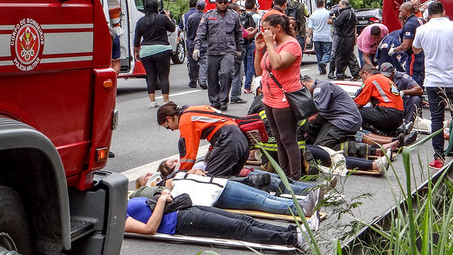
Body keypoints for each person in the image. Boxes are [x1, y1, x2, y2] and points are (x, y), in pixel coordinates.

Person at [412, 1, 453, 170]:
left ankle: (438, 158)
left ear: (429, 14)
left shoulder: (421, 29)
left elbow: (415, 49)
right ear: (444, 11)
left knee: (436, 120)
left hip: (433, 82)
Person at [125, 193, 311, 250]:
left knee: (244, 219)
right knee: (239, 228)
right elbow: (149, 228)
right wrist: (161, 201)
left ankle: (294, 232)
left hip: (186, 209)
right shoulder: (119, 218)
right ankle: (292, 240)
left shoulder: (125, 200)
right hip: (181, 222)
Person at [134, 171, 323, 217]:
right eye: (144, 177)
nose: (149, 175)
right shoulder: (160, 187)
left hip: (218, 184)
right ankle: (298, 209)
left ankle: (302, 203)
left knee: (261, 195)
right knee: (259, 200)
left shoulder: (176, 174)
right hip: (213, 194)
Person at [254, 14, 303, 180]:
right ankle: (284, 175)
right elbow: (261, 71)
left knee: (288, 140)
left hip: (285, 98)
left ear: (278, 28)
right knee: (278, 140)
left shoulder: (291, 44)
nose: (264, 32)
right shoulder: (273, 44)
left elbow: (277, 64)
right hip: (269, 97)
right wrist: (259, 49)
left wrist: (268, 44)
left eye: (267, 29)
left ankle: (295, 177)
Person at [157, 102, 249, 177]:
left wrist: (182, 174)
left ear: (168, 118)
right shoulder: (193, 110)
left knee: (213, 181)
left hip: (228, 140)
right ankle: (260, 181)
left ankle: (260, 179)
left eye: (167, 127)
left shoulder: (185, 121)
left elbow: (188, 156)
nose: (172, 130)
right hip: (240, 138)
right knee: (231, 179)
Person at [193, 0, 244, 111]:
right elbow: (200, 33)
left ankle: (223, 99)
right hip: (212, 51)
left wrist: (239, 49)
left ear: (228, 2)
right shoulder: (208, 16)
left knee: (226, 74)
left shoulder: (234, 16)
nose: (222, 4)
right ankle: (215, 101)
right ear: (216, 2)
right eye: (220, 2)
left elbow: (238, 34)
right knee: (212, 77)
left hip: (228, 51)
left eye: (225, 2)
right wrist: (196, 48)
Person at [134, 0, 176, 108]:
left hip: (146, 52)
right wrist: (167, 17)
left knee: (150, 76)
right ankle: (166, 101)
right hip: (162, 50)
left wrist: (136, 51)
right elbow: (172, 28)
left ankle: (152, 101)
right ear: (157, 8)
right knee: (163, 76)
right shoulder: (162, 18)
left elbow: (137, 38)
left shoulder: (140, 21)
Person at [301, 76, 362, 149]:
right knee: (310, 128)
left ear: (303, 84)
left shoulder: (320, 88)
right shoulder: (317, 89)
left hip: (346, 120)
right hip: (337, 119)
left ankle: (362, 149)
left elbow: (312, 117)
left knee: (322, 147)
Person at [354, 64, 404, 135]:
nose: (362, 80)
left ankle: (379, 135)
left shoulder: (371, 80)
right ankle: (394, 133)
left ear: (365, 73)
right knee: (371, 112)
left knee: (357, 113)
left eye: (361, 77)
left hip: (389, 113)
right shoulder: (384, 79)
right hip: (399, 115)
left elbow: (359, 103)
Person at [390, 2, 424, 87]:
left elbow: (406, 45)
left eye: (401, 11)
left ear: (407, 11)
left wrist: (394, 50)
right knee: (417, 79)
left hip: (413, 56)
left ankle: (415, 98)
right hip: (419, 55)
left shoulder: (410, 24)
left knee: (412, 81)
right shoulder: (416, 20)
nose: (400, 13)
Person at [333, 0, 360, 80]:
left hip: (344, 37)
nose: (339, 7)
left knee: (341, 56)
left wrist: (334, 18)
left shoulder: (344, 13)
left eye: (340, 5)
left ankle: (340, 74)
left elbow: (338, 23)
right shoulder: (352, 13)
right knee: (350, 55)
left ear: (344, 5)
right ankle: (356, 73)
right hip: (350, 36)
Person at [306, 0, 332, 75]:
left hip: (316, 37)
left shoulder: (313, 15)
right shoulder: (328, 13)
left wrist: (308, 37)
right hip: (326, 36)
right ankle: (323, 62)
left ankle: (321, 70)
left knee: (319, 54)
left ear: (316, 5)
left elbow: (311, 27)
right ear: (323, 4)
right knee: (327, 52)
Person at [185, 0, 206, 88]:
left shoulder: (191, 17)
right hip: (203, 43)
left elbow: (187, 30)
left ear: (196, 7)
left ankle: (193, 81)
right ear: (204, 7)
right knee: (203, 62)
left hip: (191, 42)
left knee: (192, 62)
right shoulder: (205, 17)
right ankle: (202, 81)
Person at [243, 0, 261, 94]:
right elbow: (260, 29)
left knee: (245, 64)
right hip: (252, 42)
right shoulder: (257, 16)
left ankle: (246, 83)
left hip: (242, 42)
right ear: (254, 5)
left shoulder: (241, 16)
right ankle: (248, 86)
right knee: (251, 64)